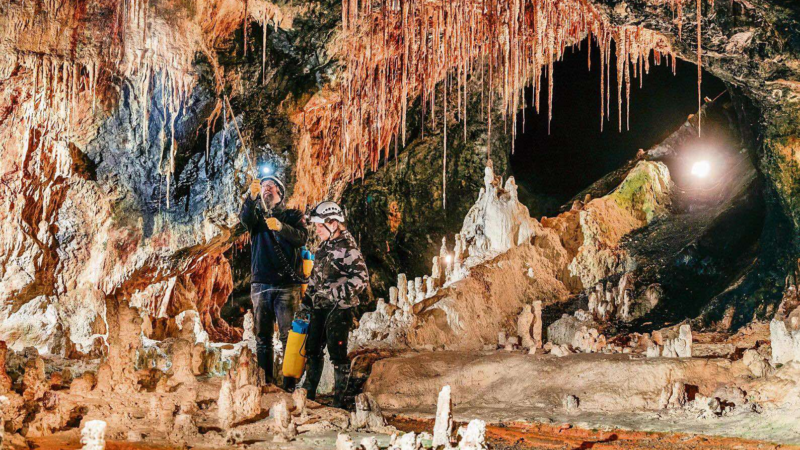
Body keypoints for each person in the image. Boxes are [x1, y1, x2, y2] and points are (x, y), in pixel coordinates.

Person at [239, 173, 308, 391]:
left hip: (287, 285)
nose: (267, 188)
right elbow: (245, 219)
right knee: (263, 338)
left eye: (271, 185)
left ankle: (290, 384)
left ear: (280, 192)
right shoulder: (256, 219)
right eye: (264, 186)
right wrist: (251, 198)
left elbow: (302, 238)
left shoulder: (292, 215)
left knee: (288, 336)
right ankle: (266, 381)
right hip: (261, 284)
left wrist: (280, 227)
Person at [302, 201, 369, 408]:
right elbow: (315, 277)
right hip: (320, 307)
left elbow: (361, 279)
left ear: (333, 223)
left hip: (340, 309)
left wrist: (336, 294)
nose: (317, 230)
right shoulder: (323, 247)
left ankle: (339, 400)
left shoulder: (348, 249)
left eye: (320, 226)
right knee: (312, 348)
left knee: (337, 352)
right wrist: (306, 302)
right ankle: (308, 393)